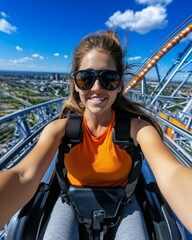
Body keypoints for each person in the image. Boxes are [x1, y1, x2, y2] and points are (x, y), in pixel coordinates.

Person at [0, 30, 192, 239]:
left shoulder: (137, 129)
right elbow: (24, 174)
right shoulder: (60, 129)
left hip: (122, 203)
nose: (97, 88)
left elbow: (171, 174)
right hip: (72, 202)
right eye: (86, 79)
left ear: (119, 85)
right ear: (75, 84)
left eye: (108, 79)